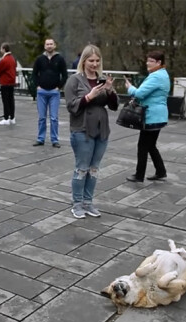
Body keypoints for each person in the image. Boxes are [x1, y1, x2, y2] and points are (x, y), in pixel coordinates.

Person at [64, 45, 118, 219]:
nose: (94, 64)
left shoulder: (102, 79)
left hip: (101, 130)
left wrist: (109, 90)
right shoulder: (74, 80)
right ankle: (77, 203)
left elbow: (114, 106)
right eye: (91, 61)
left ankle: (88, 203)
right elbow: (71, 106)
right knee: (82, 168)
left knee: (94, 169)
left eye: (97, 61)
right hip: (82, 129)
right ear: (84, 61)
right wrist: (89, 97)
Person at [125, 50, 171, 183]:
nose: (147, 63)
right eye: (148, 60)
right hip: (159, 116)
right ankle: (161, 171)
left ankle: (139, 175)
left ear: (159, 62)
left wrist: (129, 87)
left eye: (151, 61)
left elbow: (139, 94)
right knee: (151, 145)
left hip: (152, 116)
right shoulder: (163, 74)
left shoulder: (156, 76)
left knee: (143, 146)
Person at [32, 38, 68, 148]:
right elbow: (34, 74)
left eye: (51, 44)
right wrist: (37, 86)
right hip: (42, 91)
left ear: (55, 45)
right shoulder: (39, 59)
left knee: (54, 118)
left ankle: (54, 139)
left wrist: (59, 87)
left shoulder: (60, 59)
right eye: (47, 44)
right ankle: (40, 138)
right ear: (44, 46)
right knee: (42, 117)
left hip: (54, 92)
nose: (49, 46)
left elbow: (65, 74)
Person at [0, 42, 17, 125]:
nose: (0, 50)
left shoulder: (4, 60)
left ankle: (6, 118)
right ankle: (12, 117)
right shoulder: (12, 58)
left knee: (5, 101)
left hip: (5, 82)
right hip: (12, 82)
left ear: (4, 49)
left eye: (1, 48)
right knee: (11, 100)